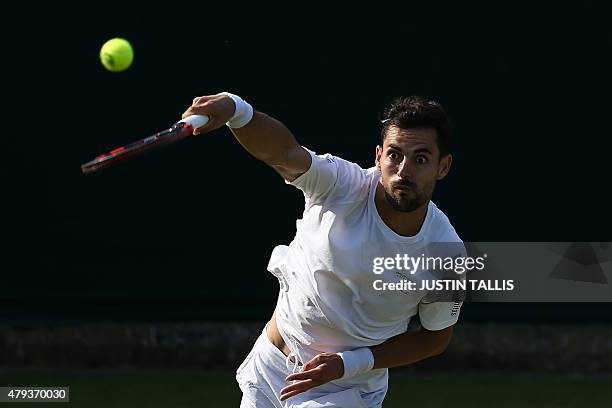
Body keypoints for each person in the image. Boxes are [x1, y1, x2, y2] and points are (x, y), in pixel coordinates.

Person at [182, 92, 464, 408]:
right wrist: (236, 109)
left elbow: (435, 338)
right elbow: (284, 153)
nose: (403, 171)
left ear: (443, 167)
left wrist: (348, 364)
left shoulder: (447, 256)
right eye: (394, 155)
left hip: (343, 392)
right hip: (269, 368)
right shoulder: (342, 185)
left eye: (421, 159)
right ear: (378, 156)